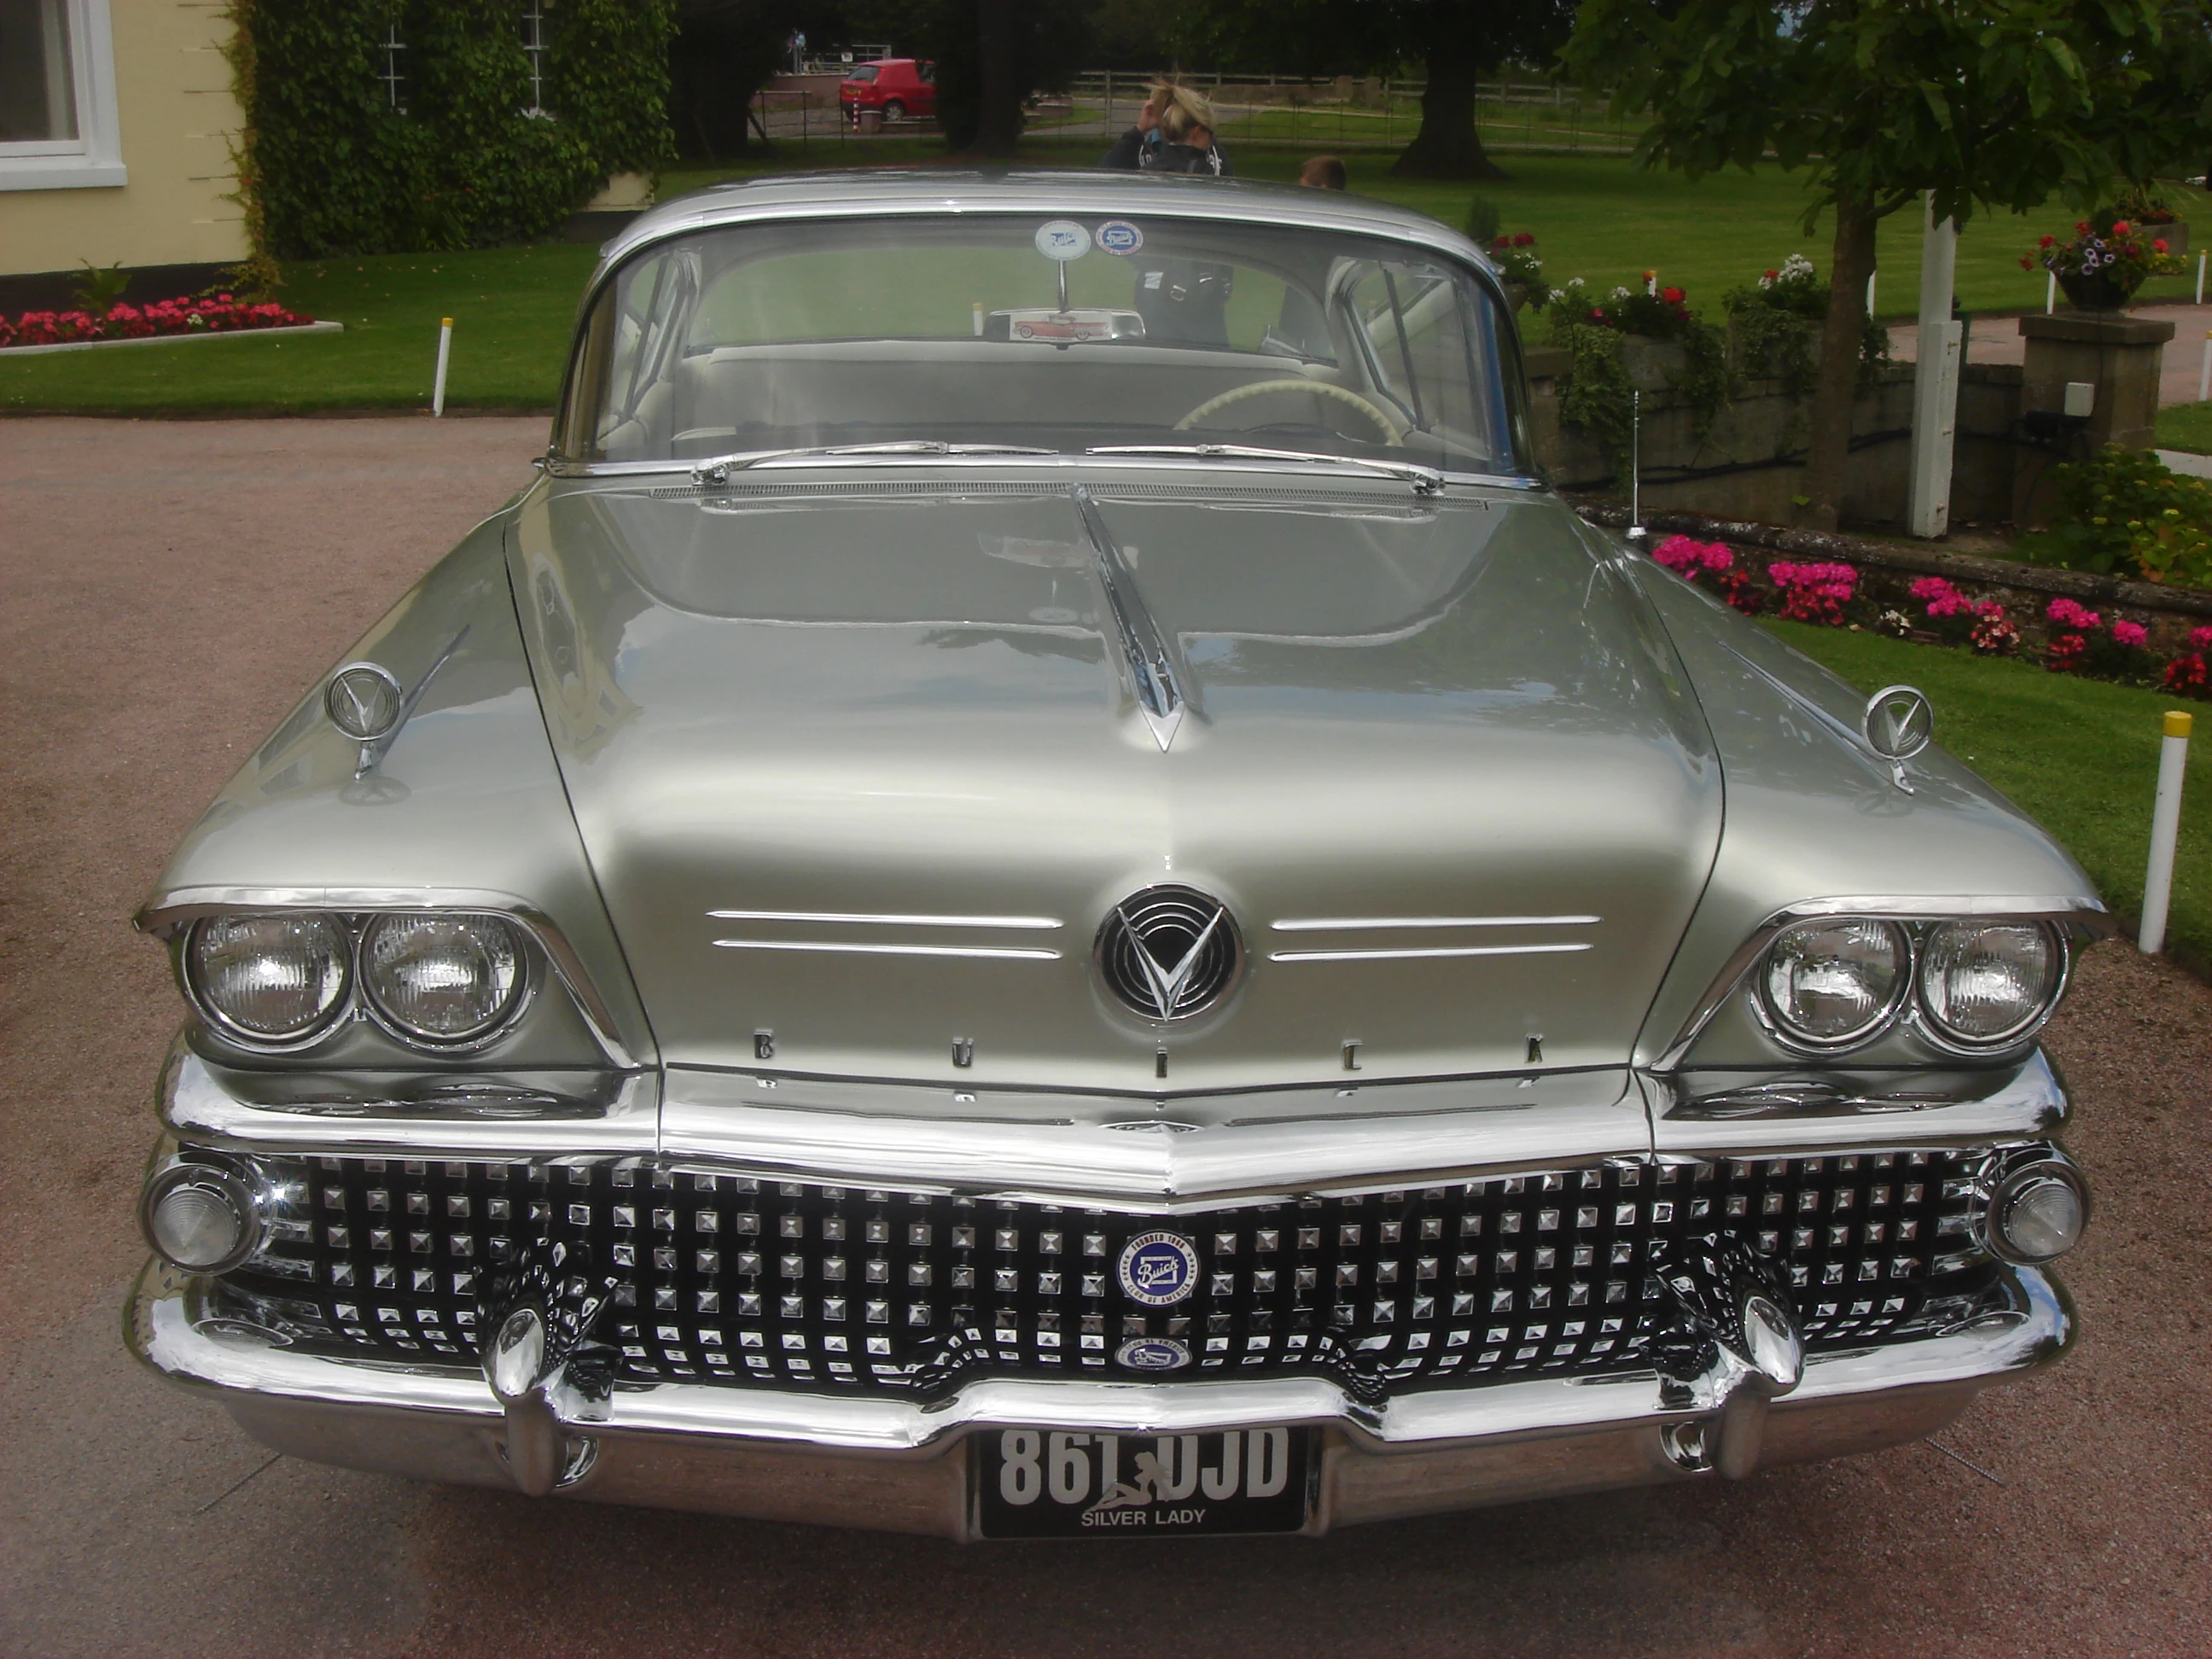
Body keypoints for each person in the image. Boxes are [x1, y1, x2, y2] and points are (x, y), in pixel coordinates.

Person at [1100, 82, 1231, 176]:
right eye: (1210, 132)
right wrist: (1139, 131)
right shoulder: (1139, 148)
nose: (1211, 139)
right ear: (1197, 131)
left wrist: (1138, 131)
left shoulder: (1147, 170)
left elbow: (1104, 179)